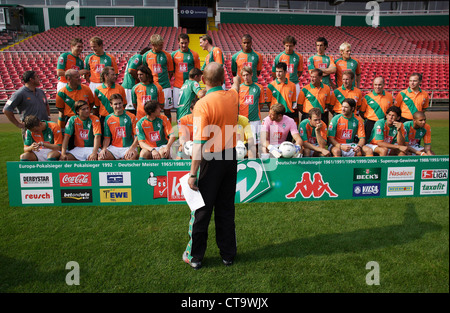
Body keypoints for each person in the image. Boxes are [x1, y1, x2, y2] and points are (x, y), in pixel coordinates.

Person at [183, 62, 240, 270]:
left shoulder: (202, 104)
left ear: (203, 80)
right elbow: (236, 85)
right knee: (226, 209)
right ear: (222, 79)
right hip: (230, 158)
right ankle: (228, 255)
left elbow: (198, 144)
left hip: (210, 159)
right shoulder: (233, 97)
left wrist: (192, 173)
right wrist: (235, 79)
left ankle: (196, 257)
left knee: (201, 210)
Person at [3, 71, 50, 139]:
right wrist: (18, 124)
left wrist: (48, 117)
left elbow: (46, 105)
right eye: (37, 77)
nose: (39, 78)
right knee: (31, 148)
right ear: (31, 79)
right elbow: (6, 110)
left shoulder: (40, 92)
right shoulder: (20, 93)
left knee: (47, 148)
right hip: (30, 129)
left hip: (43, 126)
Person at [142, 34, 174, 121]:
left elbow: (171, 71)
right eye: (159, 45)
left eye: (162, 44)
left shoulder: (167, 55)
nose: (161, 47)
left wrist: (164, 80)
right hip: (152, 87)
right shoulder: (146, 56)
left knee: (167, 110)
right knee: (153, 110)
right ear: (153, 44)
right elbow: (144, 71)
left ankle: (169, 130)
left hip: (165, 86)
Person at [99, 94, 139, 160]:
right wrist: (104, 149)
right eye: (115, 104)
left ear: (123, 103)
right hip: (114, 148)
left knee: (131, 158)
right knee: (101, 157)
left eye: (120, 103)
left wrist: (132, 148)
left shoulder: (131, 116)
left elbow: (137, 136)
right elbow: (107, 138)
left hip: (128, 147)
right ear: (111, 105)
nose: (118, 106)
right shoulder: (108, 118)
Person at [172, 33, 201, 108]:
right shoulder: (174, 55)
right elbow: (171, 71)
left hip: (190, 87)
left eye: (186, 43)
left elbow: (198, 72)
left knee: (192, 108)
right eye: (182, 43)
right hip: (177, 86)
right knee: (178, 108)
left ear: (188, 42)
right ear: (178, 42)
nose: (184, 45)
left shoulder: (194, 54)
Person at [238, 66, 265, 147]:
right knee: (241, 144)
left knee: (256, 145)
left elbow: (261, 104)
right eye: (243, 75)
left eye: (247, 75)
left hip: (255, 121)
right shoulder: (239, 87)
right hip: (242, 121)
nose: (246, 77)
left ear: (251, 74)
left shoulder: (259, 88)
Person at [121, 47, 151, 113]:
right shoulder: (139, 57)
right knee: (131, 110)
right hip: (130, 86)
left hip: (131, 86)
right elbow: (131, 70)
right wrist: (141, 80)